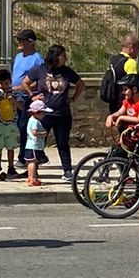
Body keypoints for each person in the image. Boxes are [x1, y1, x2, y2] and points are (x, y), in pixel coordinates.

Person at [41, 44, 83, 180]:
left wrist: (73, 98)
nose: (65, 58)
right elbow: (26, 82)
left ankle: (67, 170)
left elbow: (80, 84)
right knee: (39, 141)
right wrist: (32, 95)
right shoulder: (42, 69)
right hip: (45, 113)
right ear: (55, 57)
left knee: (63, 143)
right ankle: (33, 168)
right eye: (63, 56)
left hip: (62, 114)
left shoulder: (67, 72)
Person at [11, 29, 46, 153]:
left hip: (29, 97)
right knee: (19, 126)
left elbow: (41, 79)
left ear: (31, 42)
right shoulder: (18, 57)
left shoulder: (37, 59)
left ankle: (26, 155)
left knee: (25, 125)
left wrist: (24, 87)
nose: (19, 43)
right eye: (18, 40)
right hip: (16, 96)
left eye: (22, 40)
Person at [105, 74, 139, 148]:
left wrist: (122, 118)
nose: (123, 92)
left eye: (125, 89)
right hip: (131, 136)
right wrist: (111, 116)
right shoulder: (128, 101)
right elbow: (119, 112)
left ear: (134, 89)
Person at [0, 70, 21, 180]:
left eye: (6, 83)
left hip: (11, 124)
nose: (4, 86)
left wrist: (14, 101)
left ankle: (11, 167)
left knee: (10, 146)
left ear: (10, 82)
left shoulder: (15, 93)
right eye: (2, 84)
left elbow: (22, 107)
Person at [100, 33, 139, 115]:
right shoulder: (130, 62)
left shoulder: (113, 60)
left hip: (113, 101)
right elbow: (133, 86)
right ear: (132, 48)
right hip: (125, 103)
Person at [22, 100, 50, 186]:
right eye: (43, 113)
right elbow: (34, 133)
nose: (44, 115)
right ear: (37, 113)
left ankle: (30, 177)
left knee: (30, 162)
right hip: (35, 145)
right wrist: (43, 133)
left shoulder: (31, 120)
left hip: (30, 145)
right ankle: (33, 178)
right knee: (33, 162)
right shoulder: (35, 121)